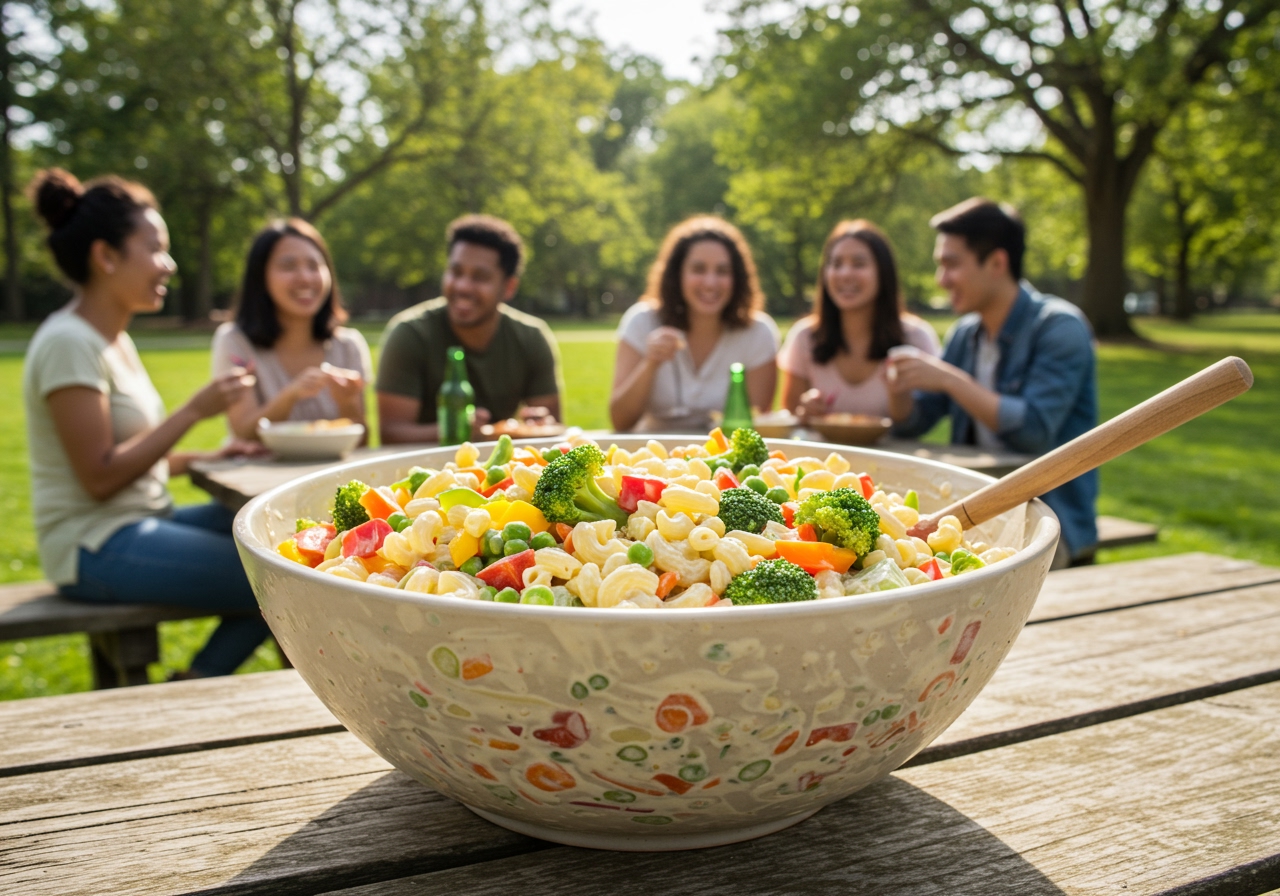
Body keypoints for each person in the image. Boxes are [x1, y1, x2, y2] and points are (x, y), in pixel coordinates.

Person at [21, 168, 272, 678]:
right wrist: (194, 413)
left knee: (280, 535)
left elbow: (131, 455)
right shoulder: (69, 343)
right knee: (278, 577)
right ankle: (198, 687)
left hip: (143, 516)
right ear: (106, 256)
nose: (169, 264)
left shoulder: (113, 339)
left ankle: (196, 683)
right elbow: (99, 477)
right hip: (92, 542)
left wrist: (207, 457)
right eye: (155, 248)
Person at [889, 198, 1098, 565]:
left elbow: (1033, 430)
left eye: (951, 264)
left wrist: (952, 381)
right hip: (979, 518)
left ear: (998, 263)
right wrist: (898, 391)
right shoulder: (965, 333)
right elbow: (918, 420)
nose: (942, 279)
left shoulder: (1060, 328)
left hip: (1050, 524)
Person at [377, 214, 562, 444]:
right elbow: (391, 433)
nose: (463, 286)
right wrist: (456, 432)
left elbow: (552, 430)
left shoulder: (532, 337)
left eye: (480, 277)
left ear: (509, 287)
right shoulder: (409, 333)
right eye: (456, 272)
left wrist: (539, 422)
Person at [610, 215, 779, 433]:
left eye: (722, 271)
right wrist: (650, 364)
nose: (710, 282)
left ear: (737, 278)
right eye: (698, 269)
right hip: (655, 455)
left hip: (724, 458)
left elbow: (755, 426)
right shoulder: (642, 322)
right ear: (677, 275)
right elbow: (620, 421)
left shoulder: (758, 333)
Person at [211, 219, 371, 441]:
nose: (305, 278)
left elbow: (361, 442)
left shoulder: (349, 345)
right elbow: (244, 432)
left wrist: (347, 403)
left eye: (314, 266)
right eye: (288, 266)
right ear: (260, 277)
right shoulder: (235, 341)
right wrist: (291, 395)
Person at [779, 219, 941, 421]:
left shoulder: (916, 338)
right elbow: (790, 415)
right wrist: (806, 411)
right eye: (836, 264)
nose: (845, 274)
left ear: (883, 273)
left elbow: (918, 422)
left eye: (859, 264)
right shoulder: (805, 337)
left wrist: (898, 393)